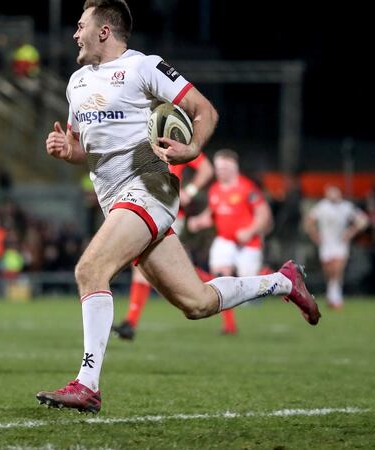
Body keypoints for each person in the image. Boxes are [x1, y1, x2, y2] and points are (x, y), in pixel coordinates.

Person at [36, 0, 320, 414]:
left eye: (81, 26)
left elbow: (204, 110)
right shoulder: (76, 82)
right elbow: (86, 150)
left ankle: (87, 384)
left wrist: (193, 148)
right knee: (197, 303)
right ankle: (283, 281)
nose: (74, 34)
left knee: (89, 270)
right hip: (117, 201)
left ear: (104, 31)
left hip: (151, 187)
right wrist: (68, 150)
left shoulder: (144, 67)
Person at [112, 152, 213, 340]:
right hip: (147, 206)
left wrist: (189, 192)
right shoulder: (141, 139)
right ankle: (130, 323)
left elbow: (206, 168)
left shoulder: (172, 136)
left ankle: (130, 323)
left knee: (154, 264)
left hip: (167, 210)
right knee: (147, 264)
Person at [187, 149, 273, 335]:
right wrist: (199, 221)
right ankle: (229, 325)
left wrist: (250, 231)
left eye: (225, 167)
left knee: (250, 292)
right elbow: (213, 215)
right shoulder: (215, 190)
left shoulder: (247, 188)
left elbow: (264, 214)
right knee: (220, 278)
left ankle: (268, 274)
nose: (221, 171)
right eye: (218, 167)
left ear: (235, 167)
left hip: (248, 244)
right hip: (225, 241)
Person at [303, 185, 368, 309]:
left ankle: (336, 298)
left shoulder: (346, 207)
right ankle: (331, 296)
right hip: (326, 244)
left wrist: (351, 232)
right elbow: (309, 222)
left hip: (340, 244)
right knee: (329, 271)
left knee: (337, 269)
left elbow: (363, 220)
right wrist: (315, 235)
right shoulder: (322, 206)